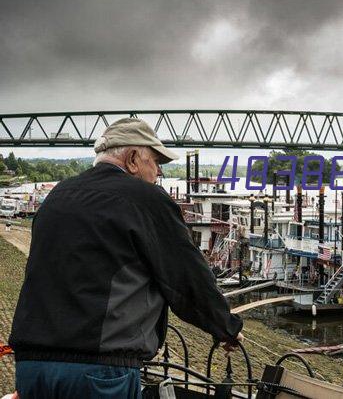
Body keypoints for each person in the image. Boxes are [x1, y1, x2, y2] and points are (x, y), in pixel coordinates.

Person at [9, 118, 244, 398]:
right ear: (133, 159)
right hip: (98, 371)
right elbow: (185, 278)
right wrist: (226, 328)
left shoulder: (59, 195)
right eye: (156, 162)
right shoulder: (145, 199)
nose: (158, 172)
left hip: (32, 366)